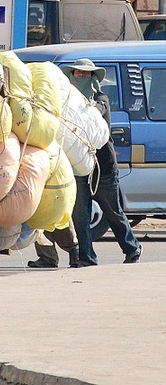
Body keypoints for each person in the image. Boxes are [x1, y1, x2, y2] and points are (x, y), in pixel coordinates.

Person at [66, 58, 143, 266]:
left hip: (103, 168)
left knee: (112, 211)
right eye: (77, 74)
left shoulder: (101, 100)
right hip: (79, 166)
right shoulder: (68, 104)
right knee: (80, 216)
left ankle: (132, 247)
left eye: (85, 74)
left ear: (93, 77)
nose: (81, 77)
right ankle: (87, 257)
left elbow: (93, 116)